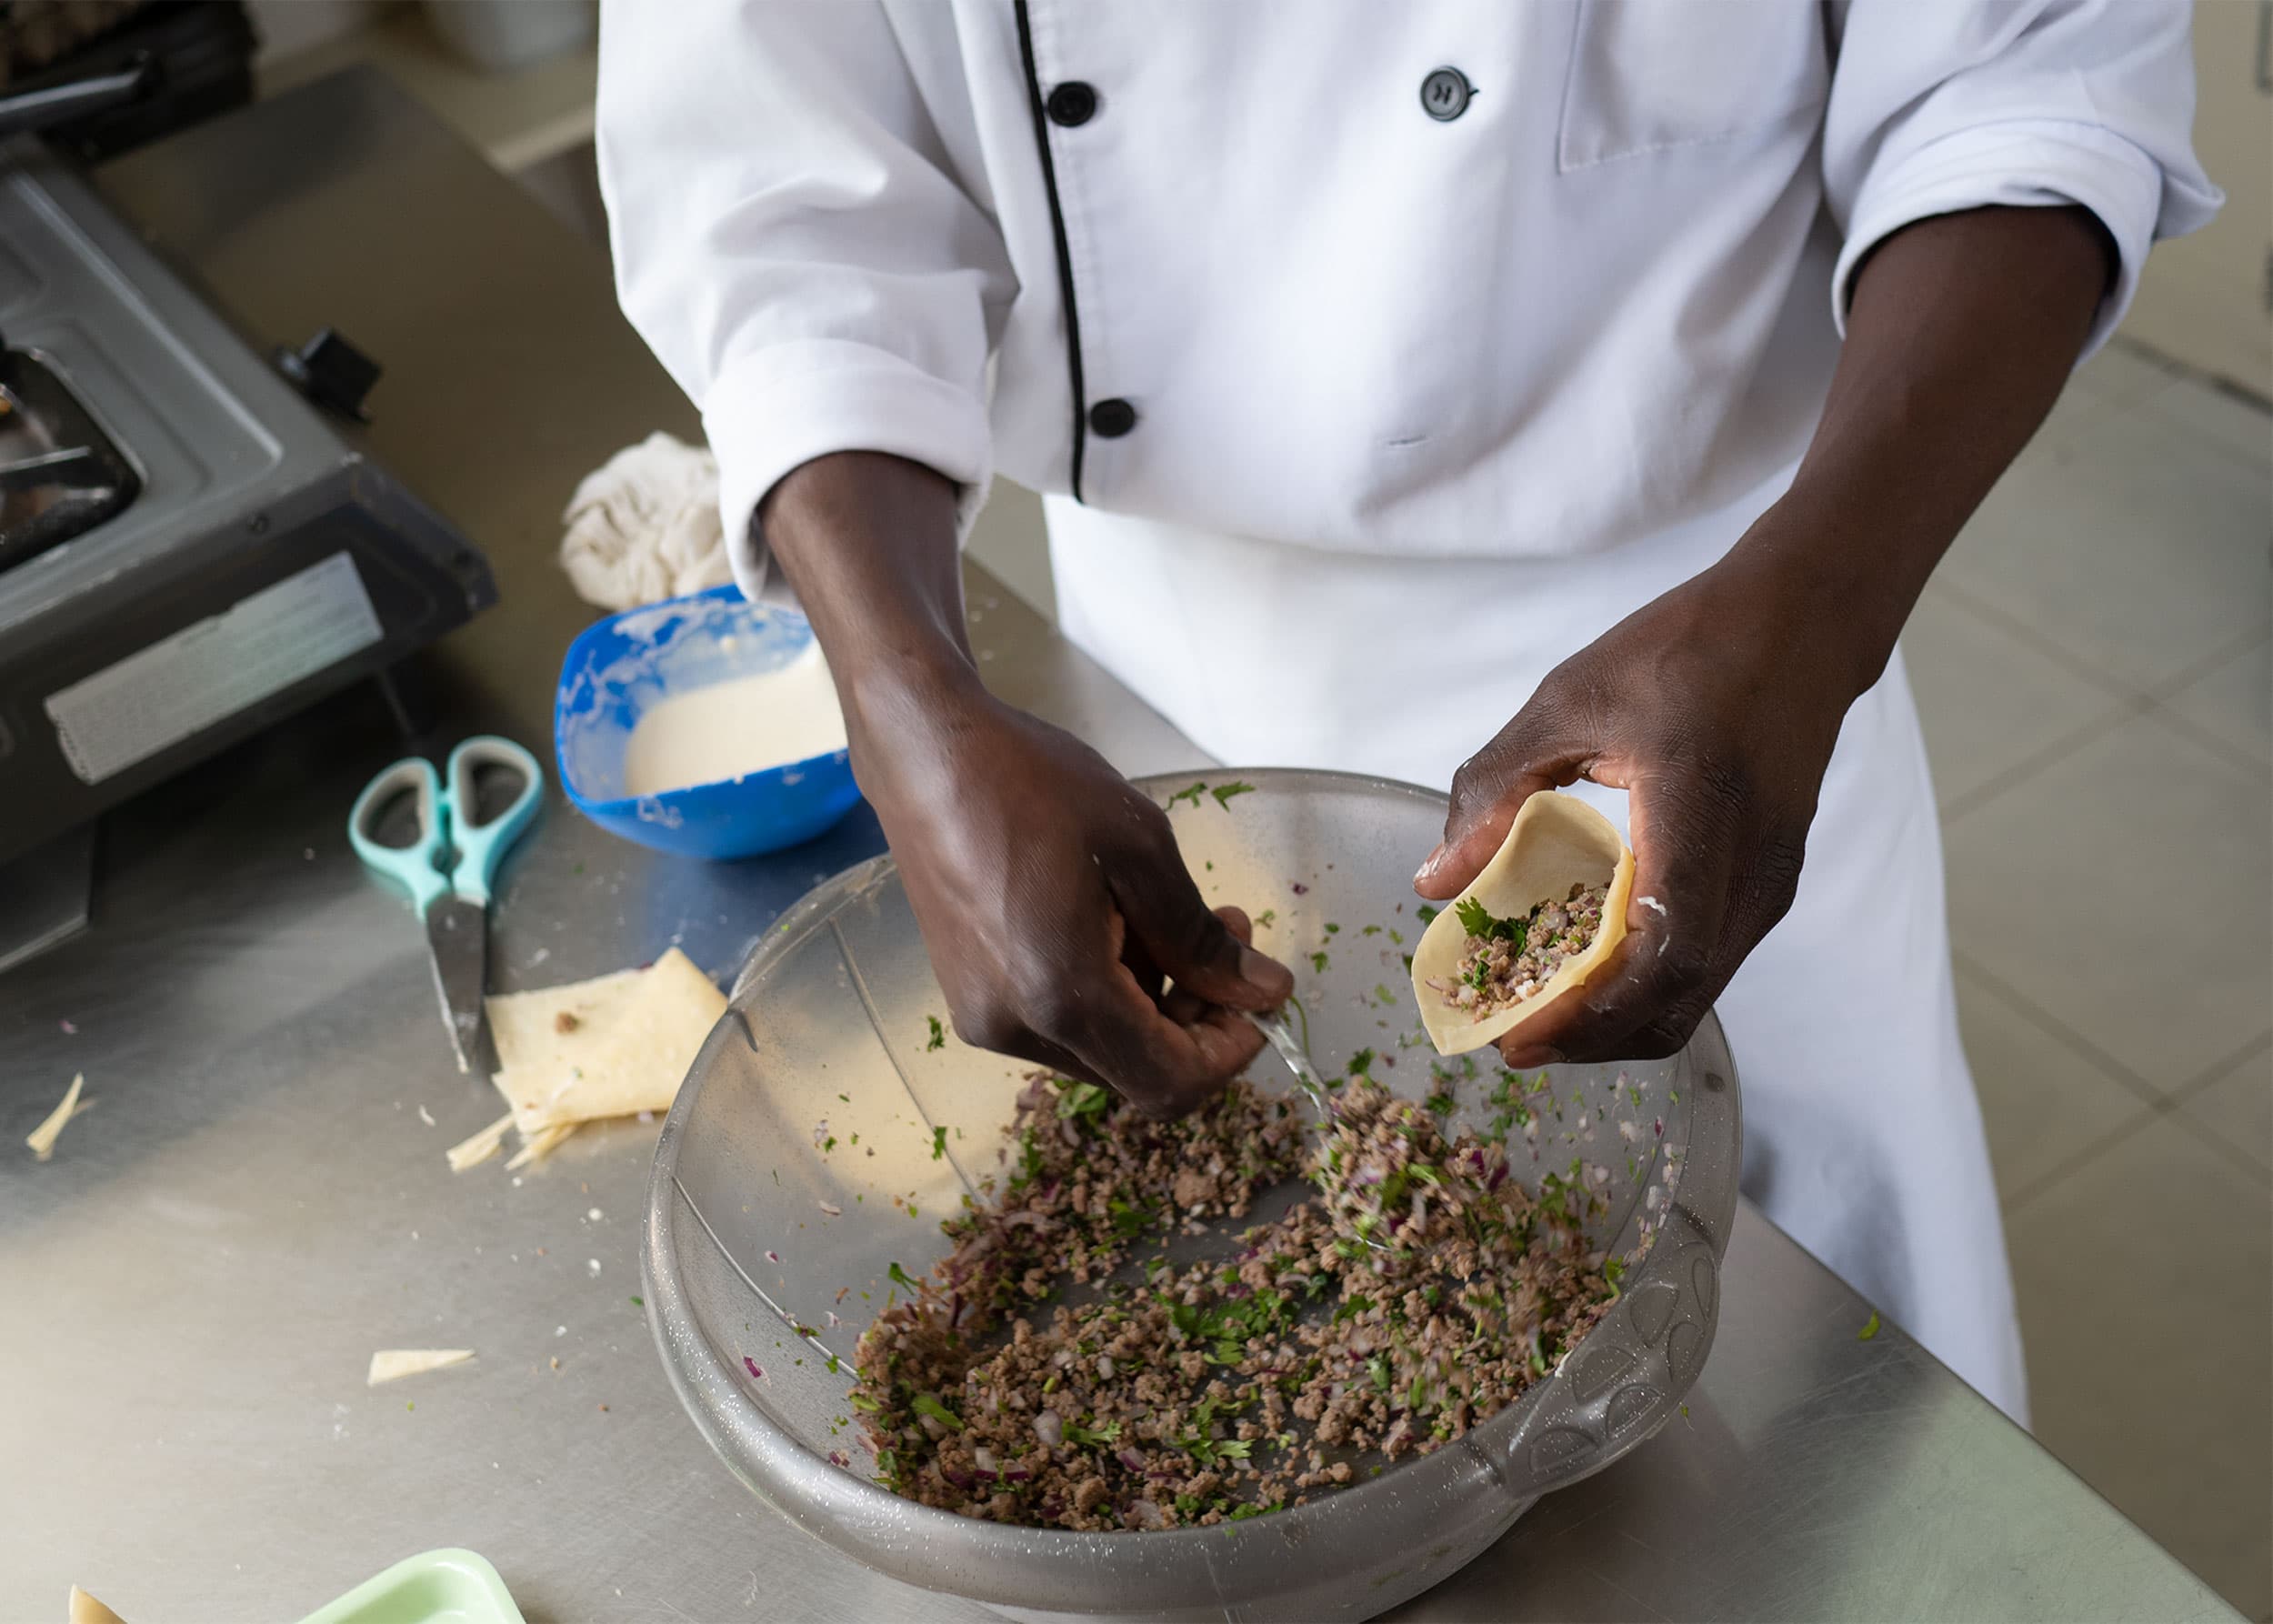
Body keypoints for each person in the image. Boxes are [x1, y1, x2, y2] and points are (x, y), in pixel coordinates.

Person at [596, 2, 2217, 1423]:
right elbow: (773, 193)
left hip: (1742, 627)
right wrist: (907, 703)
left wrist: (1814, 614)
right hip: (1169, 672)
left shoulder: (1782, 623)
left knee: (1832, 1420)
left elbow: (2030, 82)